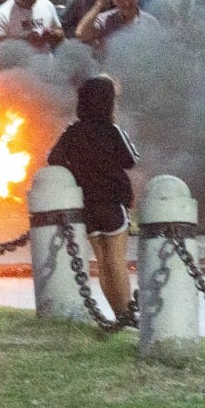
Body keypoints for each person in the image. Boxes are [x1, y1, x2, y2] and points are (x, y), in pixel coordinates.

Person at [45, 73, 140, 317]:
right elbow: (131, 160)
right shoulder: (112, 130)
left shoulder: (73, 132)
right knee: (116, 260)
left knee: (103, 263)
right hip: (112, 203)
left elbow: (53, 157)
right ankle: (126, 314)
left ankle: (118, 313)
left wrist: (78, 172)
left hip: (86, 204)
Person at [75, 0, 160, 54]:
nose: (126, 3)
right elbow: (81, 34)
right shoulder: (105, 20)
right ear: (113, 0)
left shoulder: (151, 23)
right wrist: (100, 3)